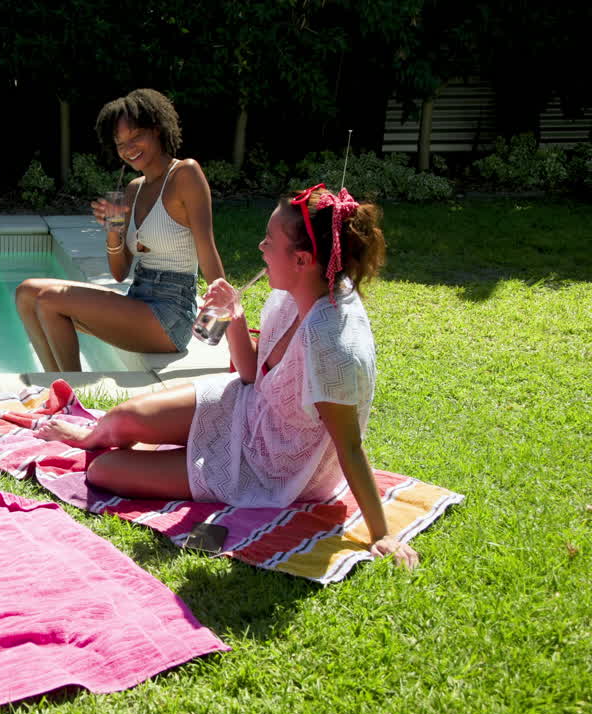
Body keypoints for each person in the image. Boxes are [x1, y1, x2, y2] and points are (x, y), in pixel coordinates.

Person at [37, 184, 419, 568]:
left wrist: (382, 533)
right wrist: (234, 315)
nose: (260, 248)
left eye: (270, 241)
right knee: (120, 420)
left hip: (269, 465)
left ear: (302, 260)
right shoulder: (297, 291)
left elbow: (349, 447)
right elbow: (253, 375)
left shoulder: (331, 346)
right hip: (247, 405)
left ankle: (167, 456)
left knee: (104, 471)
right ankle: (93, 435)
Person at [15, 88, 226, 372]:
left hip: (171, 313)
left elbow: (206, 249)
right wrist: (113, 232)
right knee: (27, 293)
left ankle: (70, 399)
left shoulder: (185, 174)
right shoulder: (133, 189)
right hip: (138, 299)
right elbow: (119, 272)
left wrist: (220, 323)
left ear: (157, 129)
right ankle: (57, 390)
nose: (128, 148)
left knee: (50, 300)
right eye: (120, 142)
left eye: (136, 136)